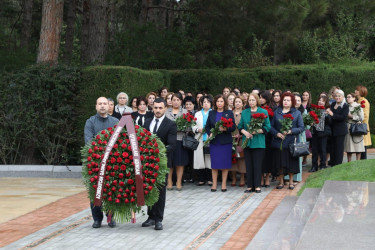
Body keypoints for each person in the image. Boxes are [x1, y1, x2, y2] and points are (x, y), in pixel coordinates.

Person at [142, 98, 177, 230]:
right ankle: (150, 216)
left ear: (165, 108)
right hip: (147, 163)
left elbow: (172, 145)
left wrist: (156, 151)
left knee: (160, 190)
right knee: (149, 189)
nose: (157, 110)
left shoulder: (171, 124)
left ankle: (158, 219)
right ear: (152, 108)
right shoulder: (147, 122)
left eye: (160, 108)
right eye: (155, 108)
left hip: (162, 163)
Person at [84, 97, 119, 229]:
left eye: (105, 103)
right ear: (96, 106)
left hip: (112, 162)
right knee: (95, 191)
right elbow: (89, 141)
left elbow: (120, 141)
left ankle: (111, 217)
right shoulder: (90, 122)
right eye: (100, 104)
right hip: (95, 162)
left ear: (109, 106)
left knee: (111, 189)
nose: (103, 106)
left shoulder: (115, 121)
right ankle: (97, 218)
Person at [270, 92, 304, 190]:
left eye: (288, 100)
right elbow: (270, 126)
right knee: (280, 162)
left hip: (291, 141)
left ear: (291, 102)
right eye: (284, 100)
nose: (286, 102)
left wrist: (291, 131)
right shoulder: (277, 111)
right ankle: (281, 181)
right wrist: (277, 133)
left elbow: (301, 127)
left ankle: (291, 182)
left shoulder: (296, 113)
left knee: (291, 162)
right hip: (279, 141)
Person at [238, 93, 271, 193]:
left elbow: (267, 127)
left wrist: (257, 131)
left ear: (257, 101)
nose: (251, 102)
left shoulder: (263, 111)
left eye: (253, 100)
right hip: (247, 142)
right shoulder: (244, 112)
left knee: (257, 165)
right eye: (250, 100)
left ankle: (257, 186)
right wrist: (245, 132)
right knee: (249, 164)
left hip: (258, 142)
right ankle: (249, 186)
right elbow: (240, 126)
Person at [205, 94, 236, 192]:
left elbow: (233, 127)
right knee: (214, 164)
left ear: (224, 102)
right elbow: (207, 126)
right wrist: (209, 133)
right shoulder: (211, 113)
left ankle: (223, 184)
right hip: (215, 142)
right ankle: (214, 184)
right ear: (215, 102)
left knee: (225, 164)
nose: (219, 103)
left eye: (221, 101)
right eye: (218, 101)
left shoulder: (229, 113)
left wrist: (225, 129)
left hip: (225, 142)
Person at [165, 93, 188, 190]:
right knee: (169, 162)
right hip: (169, 140)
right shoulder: (166, 111)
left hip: (180, 140)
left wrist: (182, 128)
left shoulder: (185, 112)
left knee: (179, 162)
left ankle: (179, 182)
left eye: (178, 100)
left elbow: (189, 126)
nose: (176, 102)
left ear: (181, 101)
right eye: (174, 100)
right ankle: (169, 181)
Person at [193, 96, 213, 186]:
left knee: (209, 159)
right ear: (201, 103)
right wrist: (197, 129)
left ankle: (210, 179)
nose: (205, 103)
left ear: (211, 103)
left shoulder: (213, 113)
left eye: (208, 102)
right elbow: (193, 125)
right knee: (200, 159)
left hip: (210, 138)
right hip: (199, 138)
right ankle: (201, 179)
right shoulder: (197, 114)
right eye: (204, 102)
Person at [326, 89, 349, 166]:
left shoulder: (345, 106)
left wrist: (332, 114)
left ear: (343, 97)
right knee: (332, 146)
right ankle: (332, 162)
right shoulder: (332, 105)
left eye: (339, 96)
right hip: (332, 129)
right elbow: (330, 116)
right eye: (336, 96)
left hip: (340, 130)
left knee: (339, 147)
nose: (337, 97)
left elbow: (343, 117)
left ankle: (338, 163)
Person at [310, 96, 331, 172]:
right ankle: (314, 166)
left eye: (323, 101)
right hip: (315, 132)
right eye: (319, 100)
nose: (320, 102)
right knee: (314, 150)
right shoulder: (314, 110)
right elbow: (309, 120)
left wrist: (327, 115)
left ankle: (322, 165)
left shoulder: (327, 110)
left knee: (323, 149)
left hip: (323, 132)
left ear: (325, 103)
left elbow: (330, 122)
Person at [230, 96, 246, 187]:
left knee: (241, 158)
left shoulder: (244, 113)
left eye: (239, 102)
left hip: (241, 139)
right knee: (232, 158)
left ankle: (242, 178)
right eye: (236, 102)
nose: (237, 103)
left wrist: (241, 134)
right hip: (231, 139)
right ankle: (234, 177)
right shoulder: (229, 113)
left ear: (242, 104)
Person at [259, 90, 274, 187]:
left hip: (269, 135)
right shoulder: (257, 108)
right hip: (259, 134)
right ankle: (260, 177)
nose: (260, 99)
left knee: (268, 157)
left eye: (262, 97)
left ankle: (267, 176)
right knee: (260, 157)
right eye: (259, 97)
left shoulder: (273, 108)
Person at [344, 93, 365, 162]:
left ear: (354, 98)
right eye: (347, 97)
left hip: (356, 127)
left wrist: (352, 116)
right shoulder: (346, 106)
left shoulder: (358, 106)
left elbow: (361, 117)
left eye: (349, 97)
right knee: (349, 147)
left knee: (358, 146)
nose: (347, 98)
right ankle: (349, 162)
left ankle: (358, 162)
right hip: (348, 127)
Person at [355, 85, 371, 160]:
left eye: (357, 90)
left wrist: (359, 121)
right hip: (359, 125)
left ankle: (363, 161)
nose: (355, 91)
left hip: (362, 126)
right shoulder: (358, 100)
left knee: (363, 145)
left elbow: (365, 115)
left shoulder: (364, 101)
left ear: (361, 92)